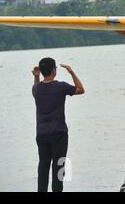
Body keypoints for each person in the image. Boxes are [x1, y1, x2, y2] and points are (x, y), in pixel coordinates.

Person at [32, 58, 85, 192]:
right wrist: (71, 72)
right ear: (54, 71)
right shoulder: (60, 86)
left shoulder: (36, 89)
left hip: (42, 134)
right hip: (59, 134)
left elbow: (36, 89)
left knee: (43, 167)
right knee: (59, 168)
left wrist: (36, 77)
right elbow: (81, 89)